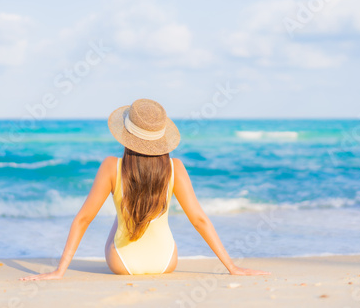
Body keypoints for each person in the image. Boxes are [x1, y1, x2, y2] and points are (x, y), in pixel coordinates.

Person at [20, 99, 270, 280]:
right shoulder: (176, 167)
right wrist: (232, 267)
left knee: (121, 213)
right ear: (161, 138)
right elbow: (199, 220)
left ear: (126, 135)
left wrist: (59, 270)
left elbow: (84, 218)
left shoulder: (111, 166)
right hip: (166, 263)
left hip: (122, 264)